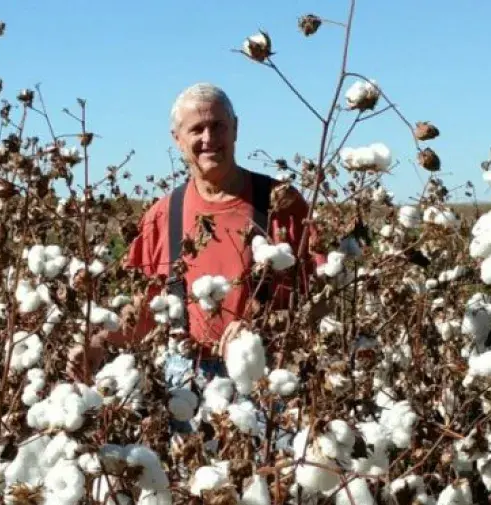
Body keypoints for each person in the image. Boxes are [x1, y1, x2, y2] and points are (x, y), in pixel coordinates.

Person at [68, 83, 322, 398]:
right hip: (185, 386)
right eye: (197, 129)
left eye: (218, 126)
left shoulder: (281, 203)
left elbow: (326, 293)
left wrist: (267, 327)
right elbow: (145, 313)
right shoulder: (162, 216)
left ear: (236, 129)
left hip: (270, 379)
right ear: (177, 140)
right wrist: (98, 343)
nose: (209, 139)